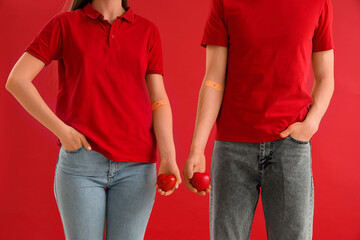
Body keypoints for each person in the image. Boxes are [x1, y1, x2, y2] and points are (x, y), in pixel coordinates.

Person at [5, 0, 181, 239]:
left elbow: (159, 101)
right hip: (81, 166)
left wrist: (169, 157)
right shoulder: (65, 24)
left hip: (137, 169)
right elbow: (17, 80)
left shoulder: (147, 31)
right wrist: (62, 131)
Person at [184, 0, 334, 239]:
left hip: (290, 148)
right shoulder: (224, 3)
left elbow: (326, 77)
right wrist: (197, 148)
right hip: (232, 148)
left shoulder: (318, 3)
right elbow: (213, 79)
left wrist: (311, 124)